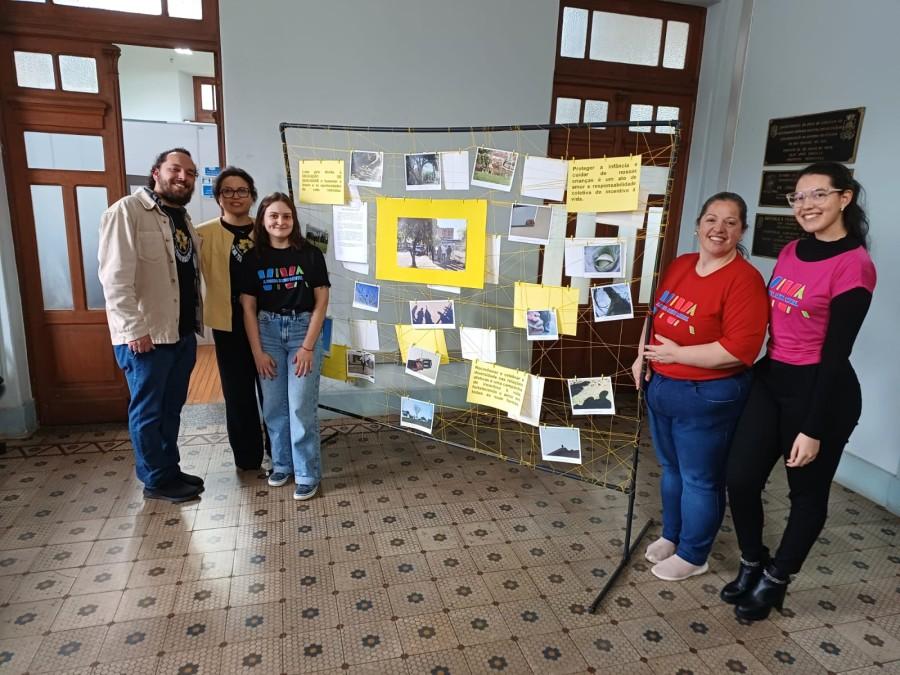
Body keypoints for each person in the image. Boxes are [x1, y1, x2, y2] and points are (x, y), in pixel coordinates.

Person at [722, 162, 877, 620]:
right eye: (798, 198)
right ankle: (753, 562)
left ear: (844, 198)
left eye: (818, 195)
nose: (806, 205)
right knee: (741, 478)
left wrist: (812, 427)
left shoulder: (856, 266)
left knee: (805, 495)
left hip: (821, 392)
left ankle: (776, 580)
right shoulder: (792, 251)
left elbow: (836, 353)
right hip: (773, 380)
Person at [632, 192, 768, 581]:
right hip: (662, 385)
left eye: (730, 222)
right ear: (698, 225)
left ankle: (694, 554)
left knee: (699, 478)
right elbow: (655, 317)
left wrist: (678, 354)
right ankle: (673, 536)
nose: (718, 229)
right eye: (711, 219)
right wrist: (643, 355)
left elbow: (740, 350)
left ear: (742, 230)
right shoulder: (682, 265)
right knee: (671, 469)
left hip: (707, 394)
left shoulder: (744, 280)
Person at [98, 148, 205, 503]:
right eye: (176, 169)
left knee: (171, 407)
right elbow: (114, 280)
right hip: (146, 337)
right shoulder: (126, 212)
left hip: (180, 332)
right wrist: (134, 329)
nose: (183, 177)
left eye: (190, 173)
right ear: (157, 171)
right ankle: (156, 479)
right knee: (148, 410)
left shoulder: (181, 219)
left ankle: (168, 468)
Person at [238, 193, 330, 500]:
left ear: (294, 220)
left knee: (300, 406)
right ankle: (282, 464)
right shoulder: (253, 258)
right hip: (268, 334)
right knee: (274, 407)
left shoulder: (310, 255)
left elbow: (321, 302)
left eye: (286, 216)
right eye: (273, 216)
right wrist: (257, 352)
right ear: (263, 220)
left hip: (303, 331)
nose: (280, 222)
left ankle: (306, 472)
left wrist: (307, 347)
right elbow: (248, 307)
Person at [196, 167, 270, 471]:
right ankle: (248, 457)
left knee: (272, 392)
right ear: (218, 198)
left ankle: (279, 451)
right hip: (227, 324)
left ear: (252, 196)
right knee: (238, 394)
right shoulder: (201, 233)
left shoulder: (268, 229)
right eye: (228, 191)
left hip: (269, 323)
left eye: (242, 190)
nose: (235, 196)